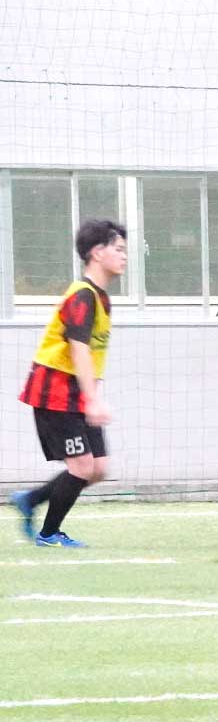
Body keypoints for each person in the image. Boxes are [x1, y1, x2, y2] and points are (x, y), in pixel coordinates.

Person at [11, 219, 127, 548]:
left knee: (98, 468)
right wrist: (93, 399)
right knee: (82, 466)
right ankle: (49, 534)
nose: (124, 256)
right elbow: (78, 348)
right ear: (97, 252)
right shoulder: (82, 296)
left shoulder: (101, 299)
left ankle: (31, 499)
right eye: (118, 249)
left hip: (78, 394)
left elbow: (94, 353)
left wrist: (93, 395)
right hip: (55, 393)